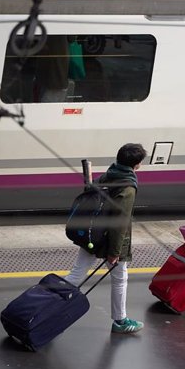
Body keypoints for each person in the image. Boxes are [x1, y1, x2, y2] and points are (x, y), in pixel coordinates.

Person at [64, 143, 147, 334]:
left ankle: (47, 302)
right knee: (120, 278)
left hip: (93, 234)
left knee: (76, 274)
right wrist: (114, 253)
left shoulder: (108, 175)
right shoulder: (128, 188)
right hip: (108, 241)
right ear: (137, 164)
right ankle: (120, 321)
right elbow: (120, 223)